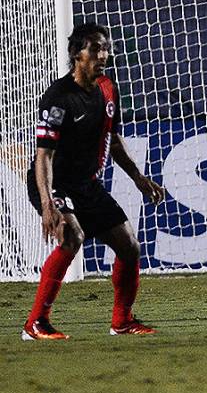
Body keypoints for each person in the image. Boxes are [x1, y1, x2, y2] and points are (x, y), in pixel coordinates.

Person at [23, 23, 164, 340]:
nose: (103, 55)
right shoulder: (58, 98)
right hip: (54, 183)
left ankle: (122, 322)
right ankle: (36, 323)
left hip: (86, 184)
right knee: (73, 236)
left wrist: (140, 179)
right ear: (76, 53)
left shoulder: (107, 89)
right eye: (95, 48)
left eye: (105, 49)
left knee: (129, 247)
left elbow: (113, 142)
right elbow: (43, 157)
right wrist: (48, 204)